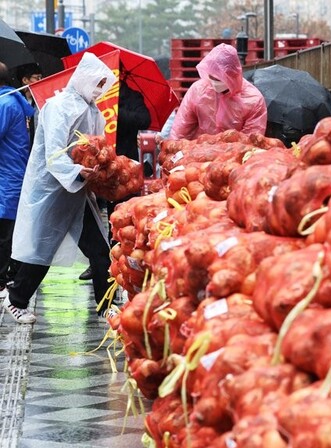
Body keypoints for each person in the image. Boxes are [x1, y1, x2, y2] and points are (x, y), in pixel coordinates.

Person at [3, 52, 117, 324]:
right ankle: (16, 299)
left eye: (104, 84)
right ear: (85, 79)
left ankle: (106, 305)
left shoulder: (92, 110)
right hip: (52, 192)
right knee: (41, 251)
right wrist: (77, 171)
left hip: (77, 194)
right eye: (98, 83)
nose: (100, 90)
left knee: (101, 250)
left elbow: (93, 145)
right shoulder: (58, 107)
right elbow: (54, 153)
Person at [79, 79, 152, 282]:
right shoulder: (92, 97)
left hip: (124, 169)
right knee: (94, 214)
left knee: (120, 216)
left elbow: (144, 119)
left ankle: (119, 262)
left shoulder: (131, 97)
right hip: (96, 165)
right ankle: (98, 263)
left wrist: (117, 111)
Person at [168, 43, 267, 140]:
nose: (214, 82)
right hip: (199, 152)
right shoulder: (198, 91)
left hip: (233, 154)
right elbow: (181, 129)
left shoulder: (253, 100)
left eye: (219, 79)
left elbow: (250, 142)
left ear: (232, 75)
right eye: (211, 76)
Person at [0, 61, 36, 300]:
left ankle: (2, 280)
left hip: (7, 179)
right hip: (12, 176)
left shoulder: (4, 104)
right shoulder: (12, 101)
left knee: (4, 234)